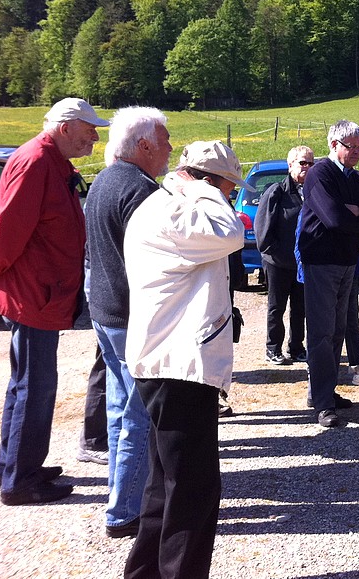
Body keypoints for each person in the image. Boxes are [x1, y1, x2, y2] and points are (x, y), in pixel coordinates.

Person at [123, 141, 247, 579]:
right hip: (178, 365)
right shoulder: (181, 209)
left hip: (168, 362)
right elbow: (232, 233)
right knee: (193, 490)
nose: (231, 197)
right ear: (209, 180)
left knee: (166, 485)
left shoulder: (170, 204)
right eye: (229, 187)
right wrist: (208, 189)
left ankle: (144, 573)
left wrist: (205, 186)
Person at [0, 98, 108, 506]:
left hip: (40, 292)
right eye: (89, 128)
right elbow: (5, 231)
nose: (94, 136)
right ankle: (20, 480)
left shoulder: (49, 161)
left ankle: (16, 466)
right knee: (34, 388)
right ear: (66, 126)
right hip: (32, 294)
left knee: (27, 386)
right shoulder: (36, 162)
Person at [85, 106, 172, 540]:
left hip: (105, 310)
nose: (171, 148)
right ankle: (125, 512)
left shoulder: (104, 179)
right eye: (165, 140)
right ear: (144, 145)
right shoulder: (140, 191)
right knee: (138, 415)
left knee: (121, 410)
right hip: (130, 315)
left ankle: (121, 496)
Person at [298, 120, 359, 427]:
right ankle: (322, 403)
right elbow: (333, 218)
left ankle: (324, 391)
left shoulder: (352, 177)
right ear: (334, 145)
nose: (358, 153)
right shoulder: (320, 173)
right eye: (353, 147)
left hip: (348, 260)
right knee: (322, 333)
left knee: (337, 329)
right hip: (321, 261)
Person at [256, 145, 313, 365]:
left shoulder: (312, 191)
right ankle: (273, 349)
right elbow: (263, 232)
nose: (307, 167)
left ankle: (297, 348)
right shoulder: (276, 192)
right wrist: (276, 255)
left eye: (311, 162)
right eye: (302, 162)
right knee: (276, 307)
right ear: (290, 166)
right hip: (277, 263)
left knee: (301, 309)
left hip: (301, 264)